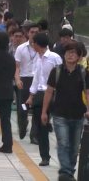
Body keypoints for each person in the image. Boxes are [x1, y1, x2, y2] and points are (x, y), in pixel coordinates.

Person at [41, 42, 89, 181]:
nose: (70, 55)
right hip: (59, 114)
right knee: (63, 143)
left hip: (78, 115)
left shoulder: (83, 72)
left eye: (74, 52)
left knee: (74, 148)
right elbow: (49, 92)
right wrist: (44, 112)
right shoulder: (56, 71)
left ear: (79, 57)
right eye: (68, 52)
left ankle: (68, 173)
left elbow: (87, 93)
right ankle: (66, 172)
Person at [25, 32, 62, 167]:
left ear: (37, 44)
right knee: (41, 126)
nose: (32, 45)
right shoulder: (37, 58)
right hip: (40, 94)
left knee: (55, 124)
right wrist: (31, 96)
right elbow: (36, 79)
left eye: (33, 42)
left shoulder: (54, 58)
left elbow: (61, 76)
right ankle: (45, 156)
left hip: (54, 94)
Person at [14, 23, 40, 143]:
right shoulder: (21, 48)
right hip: (25, 80)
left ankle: (34, 135)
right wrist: (17, 79)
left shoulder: (44, 48)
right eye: (32, 32)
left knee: (37, 108)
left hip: (38, 80)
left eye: (36, 32)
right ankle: (23, 123)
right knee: (23, 106)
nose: (34, 34)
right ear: (27, 33)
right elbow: (17, 67)